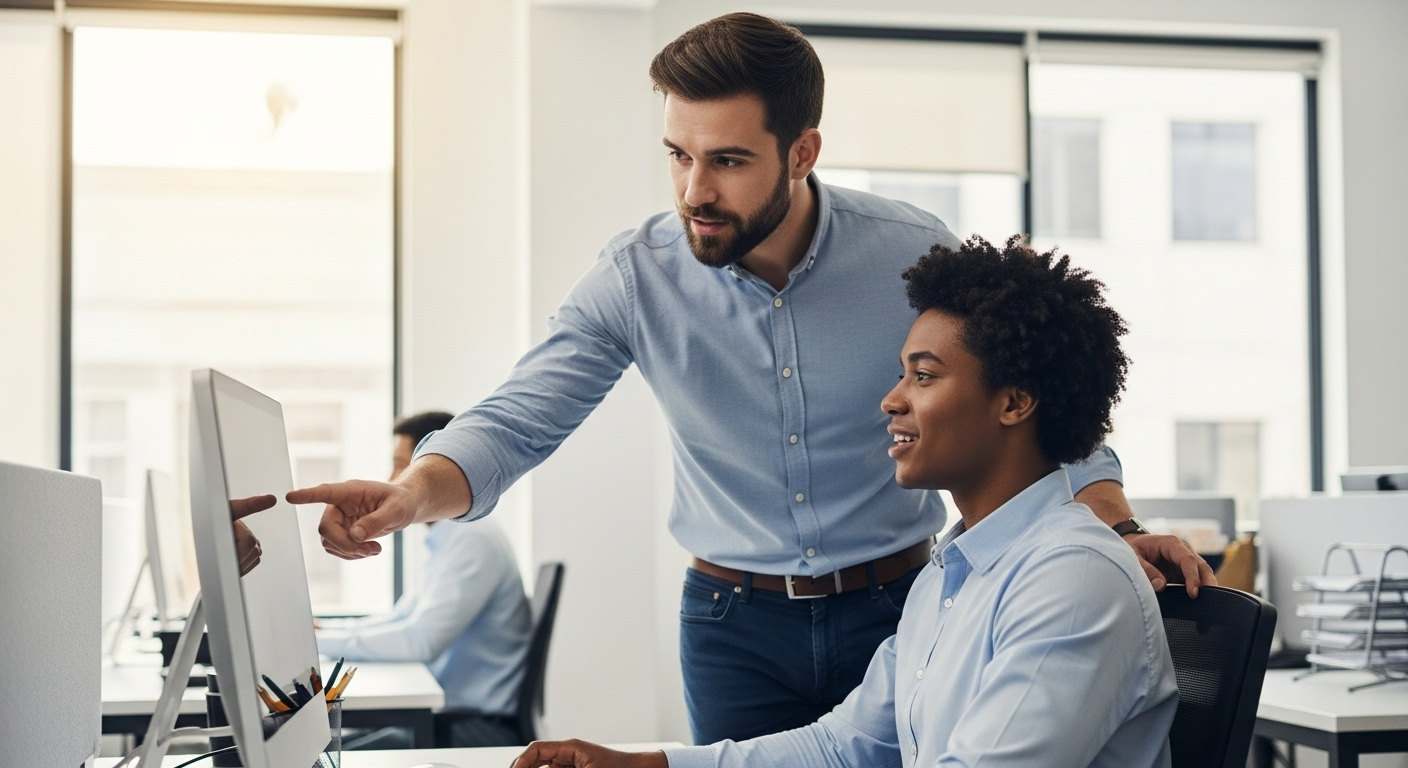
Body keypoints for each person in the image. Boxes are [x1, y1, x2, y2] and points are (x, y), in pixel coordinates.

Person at [288, 13, 1211, 744]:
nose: (695, 189)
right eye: (680, 156)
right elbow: (520, 419)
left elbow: (1035, 380)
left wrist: (1110, 527)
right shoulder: (636, 275)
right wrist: (408, 499)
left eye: (727, 160)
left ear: (801, 153)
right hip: (733, 624)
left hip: (902, 603)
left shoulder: (908, 249)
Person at [510, 236, 1180, 768]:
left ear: (1014, 402)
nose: (891, 400)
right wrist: (649, 766)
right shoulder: (954, 574)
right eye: (901, 373)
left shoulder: (1072, 578)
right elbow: (843, 748)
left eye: (923, 375)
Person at [315, 411, 531, 747]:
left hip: (474, 730)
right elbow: (401, 620)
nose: (391, 479)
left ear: (431, 469)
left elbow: (422, 641)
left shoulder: (472, 539)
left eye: (401, 467)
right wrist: (326, 632)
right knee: (325, 746)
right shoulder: (448, 538)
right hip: (448, 719)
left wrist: (318, 643)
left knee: (319, 754)